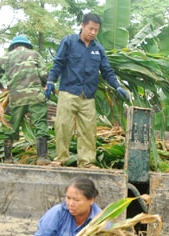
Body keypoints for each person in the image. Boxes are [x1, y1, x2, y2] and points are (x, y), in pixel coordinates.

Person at [45, 13, 130, 168]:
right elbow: (58, 63)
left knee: (89, 131)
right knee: (63, 126)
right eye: (91, 29)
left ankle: (87, 162)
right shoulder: (69, 42)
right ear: (82, 26)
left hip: (88, 96)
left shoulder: (98, 49)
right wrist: (51, 81)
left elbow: (107, 71)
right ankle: (60, 159)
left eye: (96, 30)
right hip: (68, 92)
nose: (93, 33)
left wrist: (117, 85)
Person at [0, 35, 51, 165]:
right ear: (27, 45)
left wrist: (2, 88)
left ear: (14, 46)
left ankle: (8, 158)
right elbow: (44, 74)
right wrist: (45, 84)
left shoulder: (7, 57)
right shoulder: (35, 54)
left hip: (16, 97)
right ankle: (42, 158)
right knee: (40, 124)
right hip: (35, 95)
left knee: (12, 126)